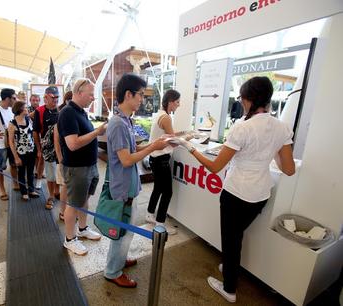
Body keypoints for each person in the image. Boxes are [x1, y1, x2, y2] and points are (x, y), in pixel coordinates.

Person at [182, 77, 295, 303]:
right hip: (261, 194)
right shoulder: (281, 127)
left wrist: (190, 148)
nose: (242, 103)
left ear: (249, 99)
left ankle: (229, 289)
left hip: (236, 194)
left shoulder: (242, 127)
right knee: (237, 236)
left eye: (242, 99)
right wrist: (269, 150)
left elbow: (215, 167)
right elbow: (289, 169)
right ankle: (230, 267)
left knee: (231, 241)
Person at [103, 73, 169, 288]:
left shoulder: (125, 121)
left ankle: (119, 260)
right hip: (122, 188)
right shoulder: (119, 124)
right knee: (121, 232)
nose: (142, 99)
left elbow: (132, 150)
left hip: (127, 186)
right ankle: (113, 271)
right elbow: (126, 159)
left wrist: (155, 144)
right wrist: (153, 147)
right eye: (140, 94)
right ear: (128, 94)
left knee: (127, 229)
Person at [58, 79, 107, 255]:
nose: (93, 98)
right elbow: (72, 144)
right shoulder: (68, 113)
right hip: (77, 168)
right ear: (79, 92)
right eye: (91, 94)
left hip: (88, 165)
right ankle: (69, 239)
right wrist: (97, 132)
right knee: (74, 204)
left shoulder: (80, 112)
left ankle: (83, 228)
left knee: (84, 199)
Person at [145, 89, 181, 235]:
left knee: (158, 188)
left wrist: (181, 135)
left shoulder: (159, 115)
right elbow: (172, 142)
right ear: (171, 102)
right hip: (161, 160)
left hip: (155, 158)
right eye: (177, 102)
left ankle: (149, 214)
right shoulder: (166, 118)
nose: (178, 105)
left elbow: (168, 136)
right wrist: (187, 138)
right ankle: (160, 225)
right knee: (167, 192)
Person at [33, 86, 60, 209]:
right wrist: (39, 149)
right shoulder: (39, 111)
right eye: (53, 98)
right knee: (50, 174)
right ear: (46, 98)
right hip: (48, 148)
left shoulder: (61, 110)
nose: (55, 100)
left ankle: (57, 191)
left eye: (57, 97)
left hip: (61, 147)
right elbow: (35, 132)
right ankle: (51, 196)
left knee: (59, 172)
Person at [8, 101, 39, 201]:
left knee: (30, 172)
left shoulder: (28, 119)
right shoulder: (12, 123)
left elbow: (33, 135)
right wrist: (15, 157)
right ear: (20, 109)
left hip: (31, 150)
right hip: (20, 152)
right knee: (21, 172)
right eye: (25, 107)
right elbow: (11, 142)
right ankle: (24, 192)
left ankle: (31, 190)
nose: (27, 109)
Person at [54, 101, 68, 221]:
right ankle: (62, 212)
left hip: (72, 161)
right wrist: (60, 161)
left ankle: (68, 211)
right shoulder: (58, 125)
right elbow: (57, 145)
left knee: (70, 187)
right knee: (65, 186)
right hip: (63, 161)